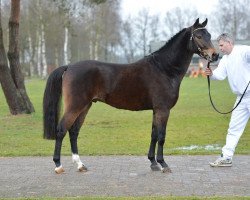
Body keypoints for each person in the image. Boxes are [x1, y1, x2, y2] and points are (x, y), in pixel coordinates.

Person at [205, 33, 250, 167]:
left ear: (229, 43)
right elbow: (220, 75)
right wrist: (211, 74)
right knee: (234, 128)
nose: (220, 48)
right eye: (219, 45)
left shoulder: (243, 51)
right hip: (241, 98)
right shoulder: (225, 59)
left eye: (221, 45)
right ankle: (226, 157)